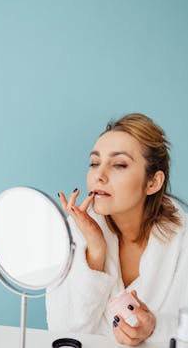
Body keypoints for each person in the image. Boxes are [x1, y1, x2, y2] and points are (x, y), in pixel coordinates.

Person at [46, 113, 188, 346]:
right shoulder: (75, 235)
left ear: (153, 182)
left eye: (119, 164)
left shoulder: (184, 242)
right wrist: (95, 251)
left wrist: (155, 327)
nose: (98, 176)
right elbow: (64, 333)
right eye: (94, 163)